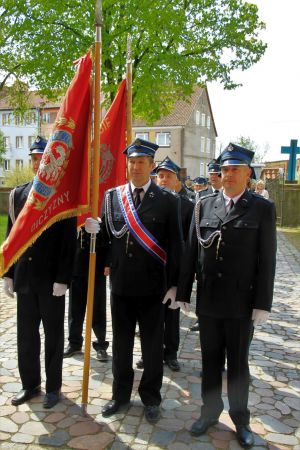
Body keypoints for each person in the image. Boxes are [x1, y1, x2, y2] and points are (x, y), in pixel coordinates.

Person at [176, 142, 277, 448]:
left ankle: (241, 419)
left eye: (236, 169)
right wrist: (183, 292)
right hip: (208, 301)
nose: (229, 174)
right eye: (225, 169)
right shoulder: (203, 205)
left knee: (238, 365)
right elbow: (191, 252)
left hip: (241, 303)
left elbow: (267, 259)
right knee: (209, 362)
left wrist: (262, 303)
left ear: (248, 174)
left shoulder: (261, 208)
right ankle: (209, 413)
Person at [85, 138, 182, 423]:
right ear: (126, 165)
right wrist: (90, 233)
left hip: (154, 288)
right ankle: (120, 395)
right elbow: (105, 240)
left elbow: (176, 245)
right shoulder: (112, 197)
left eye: (142, 162)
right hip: (122, 286)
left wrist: (176, 285)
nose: (136, 166)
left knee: (152, 347)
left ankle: (151, 397)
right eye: (132, 162)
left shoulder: (168, 200)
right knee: (121, 345)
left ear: (152, 167)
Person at [3, 136, 77, 409]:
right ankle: (29, 384)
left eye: (42, 159)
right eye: (34, 159)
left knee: (54, 337)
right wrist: (8, 273)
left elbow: (69, 243)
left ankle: (54, 387)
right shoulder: (19, 194)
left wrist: (63, 278)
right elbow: (11, 236)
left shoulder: (62, 196)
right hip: (25, 278)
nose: (37, 164)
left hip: (51, 281)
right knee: (26, 336)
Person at [136, 156, 194, 372]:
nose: (163, 180)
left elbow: (189, 242)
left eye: (168, 176)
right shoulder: (147, 201)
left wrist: (187, 273)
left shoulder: (187, 206)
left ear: (177, 180)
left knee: (171, 314)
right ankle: (149, 354)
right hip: (151, 269)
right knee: (149, 318)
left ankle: (170, 353)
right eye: (160, 176)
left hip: (173, 267)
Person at [63, 226, 109, 361]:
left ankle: (100, 345)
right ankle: (74, 343)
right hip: (77, 264)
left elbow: (108, 237)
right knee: (75, 308)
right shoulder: (75, 210)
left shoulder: (101, 207)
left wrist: (108, 262)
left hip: (98, 265)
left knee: (98, 308)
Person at [190, 160, 223, 332]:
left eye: (216, 175)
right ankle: (200, 317)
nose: (213, 178)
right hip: (205, 256)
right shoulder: (203, 196)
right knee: (202, 289)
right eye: (211, 175)